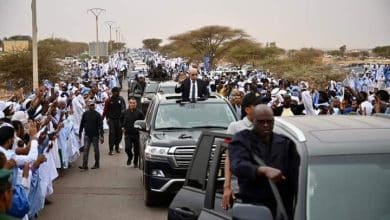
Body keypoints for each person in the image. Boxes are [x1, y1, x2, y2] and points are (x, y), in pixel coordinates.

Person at [229, 105, 299, 219]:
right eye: (261, 122)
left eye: (269, 121)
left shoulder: (285, 143)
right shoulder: (242, 140)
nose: (266, 125)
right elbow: (237, 165)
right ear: (254, 121)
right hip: (254, 206)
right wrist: (261, 170)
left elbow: (297, 174)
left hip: (284, 208)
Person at [222, 93, 262, 210]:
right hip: (240, 187)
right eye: (257, 105)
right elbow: (229, 158)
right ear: (248, 109)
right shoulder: (235, 127)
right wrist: (227, 186)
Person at [79, 100, 104, 170]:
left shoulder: (98, 115)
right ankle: (84, 165)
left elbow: (100, 126)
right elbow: (82, 123)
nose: (91, 106)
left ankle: (97, 164)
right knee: (85, 150)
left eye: (93, 105)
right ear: (88, 106)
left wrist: (101, 136)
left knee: (96, 150)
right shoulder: (85, 114)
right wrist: (80, 132)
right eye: (90, 105)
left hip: (95, 135)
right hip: (87, 135)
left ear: (94, 106)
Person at [120, 97, 144, 167]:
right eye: (131, 103)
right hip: (128, 134)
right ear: (129, 104)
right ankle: (130, 157)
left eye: (133, 103)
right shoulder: (124, 112)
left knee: (137, 150)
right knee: (127, 148)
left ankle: (135, 162)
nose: (132, 104)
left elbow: (143, 122)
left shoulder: (139, 113)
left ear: (136, 104)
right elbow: (120, 120)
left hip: (137, 134)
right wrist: (122, 127)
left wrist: (142, 130)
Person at [103, 87, 126, 155]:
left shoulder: (121, 99)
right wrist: (104, 118)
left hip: (119, 120)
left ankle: (117, 146)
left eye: (118, 91)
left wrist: (123, 116)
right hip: (111, 119)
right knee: (112, 134)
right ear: (113, 92)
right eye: (116, 92)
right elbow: (105, 110)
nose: (118, 93)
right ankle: (111, 149)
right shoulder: (109, 100)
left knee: (119, 134)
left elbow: (124, 108)